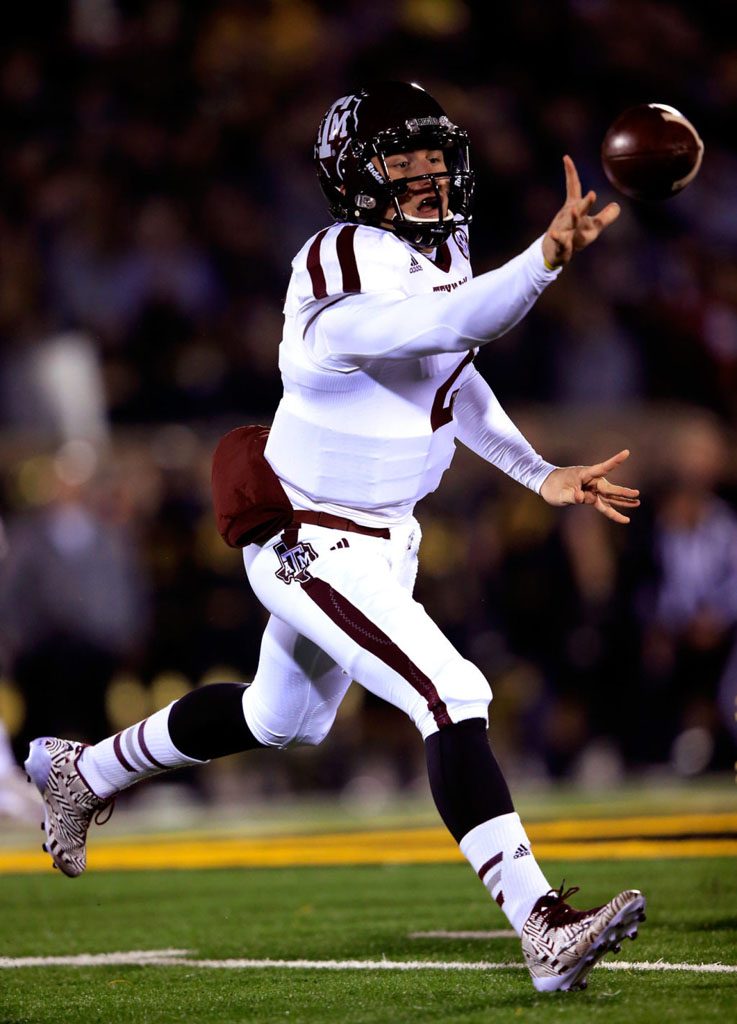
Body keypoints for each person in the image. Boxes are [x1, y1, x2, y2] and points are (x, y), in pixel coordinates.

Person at [26, 82, 645, 993]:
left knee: (282, 718)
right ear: (354, 180)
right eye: (402, 163)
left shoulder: (437, 254)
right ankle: (542, 925)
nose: (428, 177)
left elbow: (453, 371)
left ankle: (85, 771)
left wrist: (537, 471)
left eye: (435, 158)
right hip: (309, 535)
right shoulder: (334, 270)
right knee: (449, 690)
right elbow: (448, 321)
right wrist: (544, 258)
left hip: (386, 534)